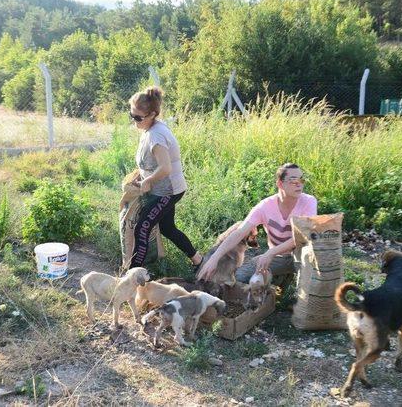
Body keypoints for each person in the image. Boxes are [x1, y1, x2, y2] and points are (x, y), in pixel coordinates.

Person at [197, 163, 317, 284]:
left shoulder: (309, 202)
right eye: (293, 180)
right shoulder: (265, 206)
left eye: (301, 179)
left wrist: (270, 253)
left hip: (303, 254)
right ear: (280, 184)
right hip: (278, 257)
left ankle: (297, 290)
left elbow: (301, 237)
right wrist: (214, 258)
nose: (299, 183)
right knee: (240, 276)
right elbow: (239, 232)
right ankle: (273, 286)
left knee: (310, 282)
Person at [126, 86, 202, 270]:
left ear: (152, 114)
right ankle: (199, 261)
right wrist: (142, 177)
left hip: (167, 191)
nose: (134, 121)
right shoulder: (149, 128)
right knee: (168, 228)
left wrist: (148, 181)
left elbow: (165, 168)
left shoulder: (156, 135)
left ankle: (133, 275)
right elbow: (152, 163)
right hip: (165, 189)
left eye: (138, 117)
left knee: (142, 227)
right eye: (132, 115)